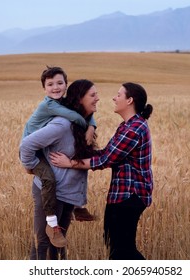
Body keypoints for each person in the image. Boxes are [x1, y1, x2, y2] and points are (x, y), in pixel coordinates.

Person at [50, 82, 154, 260]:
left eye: (119, 95)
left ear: (129, 100)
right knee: (113, 245)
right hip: (121, 195)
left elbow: (106, 159)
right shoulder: (126, 126)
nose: (114, 98)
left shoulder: (135, 129)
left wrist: (70, 163)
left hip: (130, 196)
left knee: (123, 249)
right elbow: (107, 153)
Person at [20, 79, 99, 260]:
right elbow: (26, 146)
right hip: (52, 192)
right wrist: (31, 166)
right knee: (42, 245)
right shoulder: (62, 124)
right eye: (93, 95)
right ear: (80, 99)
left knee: (58, 248)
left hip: (68, 193)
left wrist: (91, 126)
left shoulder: (82, 124)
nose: (98, 98)